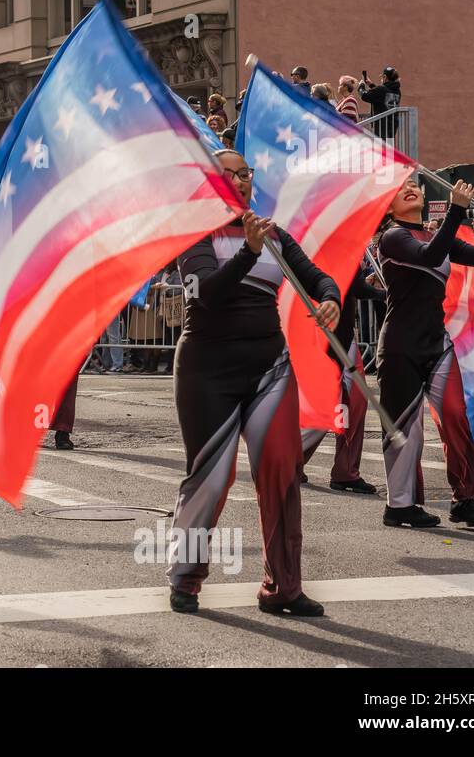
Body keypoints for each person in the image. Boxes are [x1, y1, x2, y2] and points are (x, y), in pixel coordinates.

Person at [169, 150, 340, 617]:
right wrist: (247, 250)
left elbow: (318, 277)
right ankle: (186, 577)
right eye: (229, 175)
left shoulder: (273, 234)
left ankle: (283, 587)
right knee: (212, 478)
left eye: (245, 174)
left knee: (282, 470)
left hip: (269, 367)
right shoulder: (195, 234)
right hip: (207, 371)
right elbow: (207, 295)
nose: (240, 181)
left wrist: (330, 300)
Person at [376, 179, 474, 528]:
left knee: (455, 416)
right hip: (400, 347)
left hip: (437, 343)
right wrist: (457, 209)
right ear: (388, 208)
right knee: (406, 428)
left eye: (415, 185)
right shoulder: (393, 237)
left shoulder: (439, 238)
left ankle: (464, 498)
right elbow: (429, 256)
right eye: (401, 189)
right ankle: (399, 506)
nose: (411, 188)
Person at [300, 267, 385, 493]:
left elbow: (353, 285)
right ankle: (289, 460)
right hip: (326, 337)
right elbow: (346, 283)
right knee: (329, 404)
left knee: (355, 402)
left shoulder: (349, 242)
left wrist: (375, 289)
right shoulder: (329, 242)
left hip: (345, 336)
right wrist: (382, 293)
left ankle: (345, 472)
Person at [360, 66, 402, 139]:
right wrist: (371, 85)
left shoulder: (381, 90)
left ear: (385, 77)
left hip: (381, 127)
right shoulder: (397, 91)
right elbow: (383, 95)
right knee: (388, 149)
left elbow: (364, 96)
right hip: (392, 127)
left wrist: (361, 86)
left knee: (380, 149)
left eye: (382, 77)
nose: (381, 79)